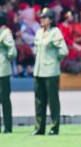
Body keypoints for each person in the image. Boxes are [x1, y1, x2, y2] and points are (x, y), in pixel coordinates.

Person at [32, 8, 69, 136]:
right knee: (39, 101)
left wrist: (54, 60)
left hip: (51, 71)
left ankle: (54, 127)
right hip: (39, 70)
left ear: (51, 19)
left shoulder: (55, 32)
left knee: (52, 101)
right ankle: (39, 128)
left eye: (45, 17)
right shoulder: (38, 32)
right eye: (41, 17)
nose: (42, 19)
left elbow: (64, 50)